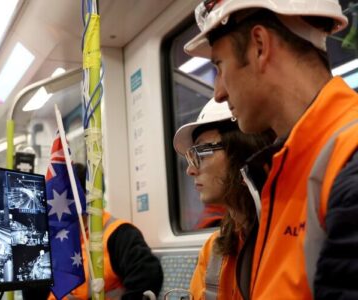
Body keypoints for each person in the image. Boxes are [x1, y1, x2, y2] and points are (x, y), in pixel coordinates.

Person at [184, 0, 357, 299]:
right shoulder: (282, 171)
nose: (219, 92)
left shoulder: (347, 165)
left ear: (260, 46)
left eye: (219, 67)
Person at [173, 99, 274, 299]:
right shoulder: (213, 250)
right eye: (191, 157)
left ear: (244, 152)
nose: (191, 170)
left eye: (201, 152)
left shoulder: (288, 236)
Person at [47, 163, 163, 300]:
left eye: (59, 196)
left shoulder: (120, 233)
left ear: (83, 197)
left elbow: (148, 276)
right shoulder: (59, 237)